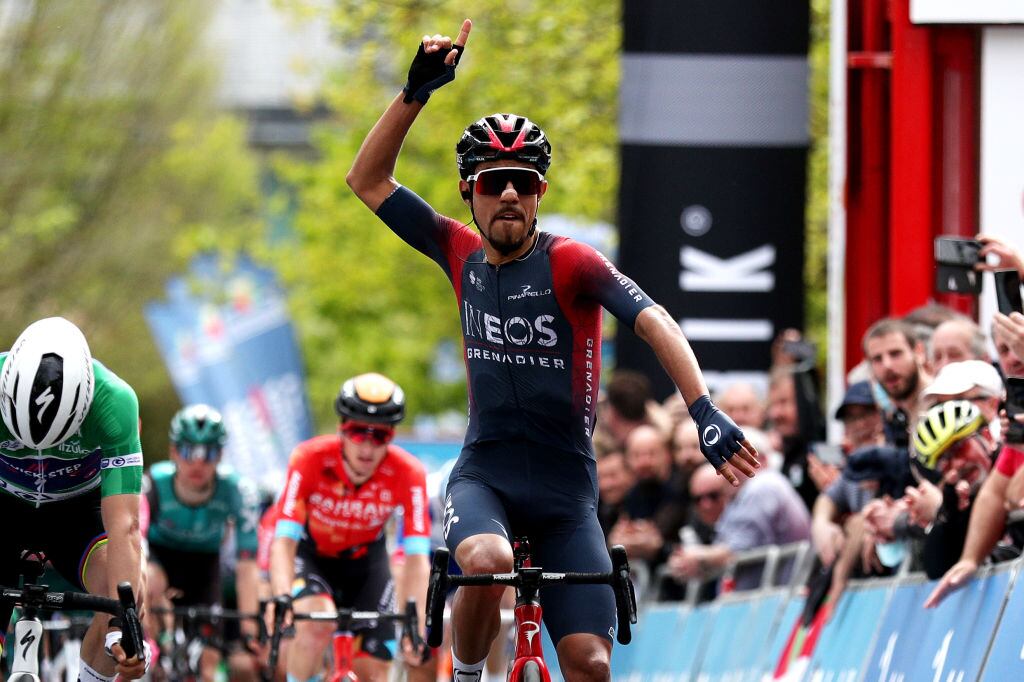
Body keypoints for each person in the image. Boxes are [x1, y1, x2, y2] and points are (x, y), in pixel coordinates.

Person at [345, 20, 758, 681]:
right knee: (481, 562)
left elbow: (655, 321)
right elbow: (367, 180)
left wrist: (702, 406)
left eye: (524, 181)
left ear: (540, 193)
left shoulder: (573, 264)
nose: (508, 193)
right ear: (468, 193)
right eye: (493, 181)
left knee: (591, 666)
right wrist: (414, 94)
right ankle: (471, 675)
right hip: (487, 475)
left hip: (568, 492)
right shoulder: (455, 251)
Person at [0, 317, 148, 680]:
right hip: (4, 506)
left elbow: (125, 527)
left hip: (77, 514)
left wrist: (120, 621)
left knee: (127, 594)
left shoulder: (114, 401)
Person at [270, 373, 430, 682]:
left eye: (380, 436)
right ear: (342, 428)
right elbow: (284, 541)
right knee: (317, 626)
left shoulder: (409, 472)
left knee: (375, 670)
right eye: (358, 432)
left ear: (392, 436)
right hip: (314, 557)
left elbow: (416, 558)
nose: (367, 447)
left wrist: (417, 623)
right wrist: (280, 595)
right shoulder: (309, 458)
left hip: (367, 566)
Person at [144, 405, 262, 682]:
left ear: (220, 456)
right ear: (174, 452)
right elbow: (132, 543)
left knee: (209, 667)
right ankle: (158, 645)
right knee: (148, 580)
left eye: (208, 453)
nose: (197, 463)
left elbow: (247, 567)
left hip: (204, 568)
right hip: (160, 559)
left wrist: (249, 630)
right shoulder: (153, 483)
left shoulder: (237, 490)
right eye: (188, 451)